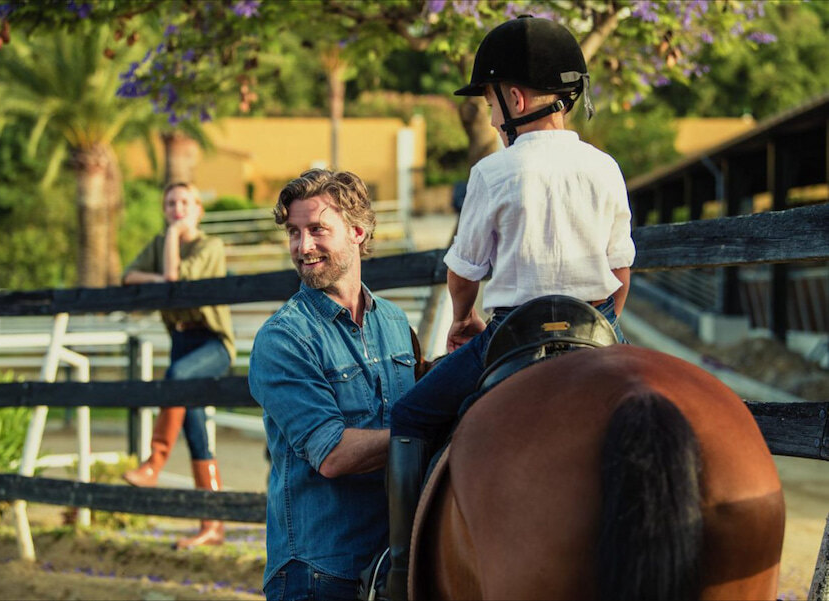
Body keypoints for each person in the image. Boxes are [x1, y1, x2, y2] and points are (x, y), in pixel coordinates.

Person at [385, 15, 636, 599]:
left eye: (492, 104)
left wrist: (465, 319)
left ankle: (398, 572)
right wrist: (611, 327)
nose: (493, 118)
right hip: (595, 333)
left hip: (515, 335)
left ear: (516, 98)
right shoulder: (606, 167)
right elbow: (621, 270)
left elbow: (463, 270)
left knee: (410, 418)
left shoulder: (492, 171)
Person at [248, 169, 417, 601]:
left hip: (391, 567)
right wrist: (427, 429)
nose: (303, 247)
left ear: (358, 230)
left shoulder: (396, 324)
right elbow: (333, 455)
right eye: (294, 232)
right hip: (318, 573)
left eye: (317, 229)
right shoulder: (283, 339)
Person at [120, 181, 236, 549]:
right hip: (180, 341)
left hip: (211, 343)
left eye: (185, 202)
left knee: (176, 379)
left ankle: (154, 462)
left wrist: (171, 237)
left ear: (198, 209)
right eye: (171, 203)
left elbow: (176, 280)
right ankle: (213, 525)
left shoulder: (210, 246)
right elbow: (128, 276)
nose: (178, 209)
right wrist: (160, 264)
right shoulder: (159, 244)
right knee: (196, 430)